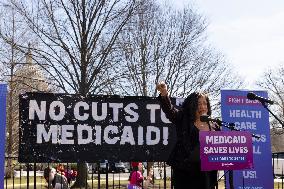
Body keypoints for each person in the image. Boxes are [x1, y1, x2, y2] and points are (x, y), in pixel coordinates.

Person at [156, 82, 219, 189]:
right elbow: (170, 111)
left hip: (207, 174)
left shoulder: (215, 125)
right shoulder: (183, 119)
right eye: (199, 104)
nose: (202, 106)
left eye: (205, 103)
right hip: (185, 172)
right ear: (192, 105)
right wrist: (164, 94)